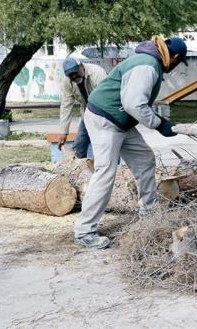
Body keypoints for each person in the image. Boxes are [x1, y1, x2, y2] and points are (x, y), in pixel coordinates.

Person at [74, 36, 187, 249]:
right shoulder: (148, 65)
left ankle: (149, 214)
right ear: (176, 57)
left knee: (144, 159)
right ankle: (85, 231)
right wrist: (159, 123)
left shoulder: (147, 60)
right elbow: (134, 103)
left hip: (120, 121)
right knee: (105, 171)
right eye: (179, 62)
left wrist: (159, 123)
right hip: (106, 119)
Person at [58, 57, 108, 159]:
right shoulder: (67, 81)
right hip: (88, 112)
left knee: (108, 146)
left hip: (105, 113)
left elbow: (107, 98)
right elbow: (66, 105)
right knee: (79, 146)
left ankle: (114, 170)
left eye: (75, 72)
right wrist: (64, 132)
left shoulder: (98, 74)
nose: (74, 76)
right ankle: (78, 170)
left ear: (81, 66)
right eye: (71, 76)